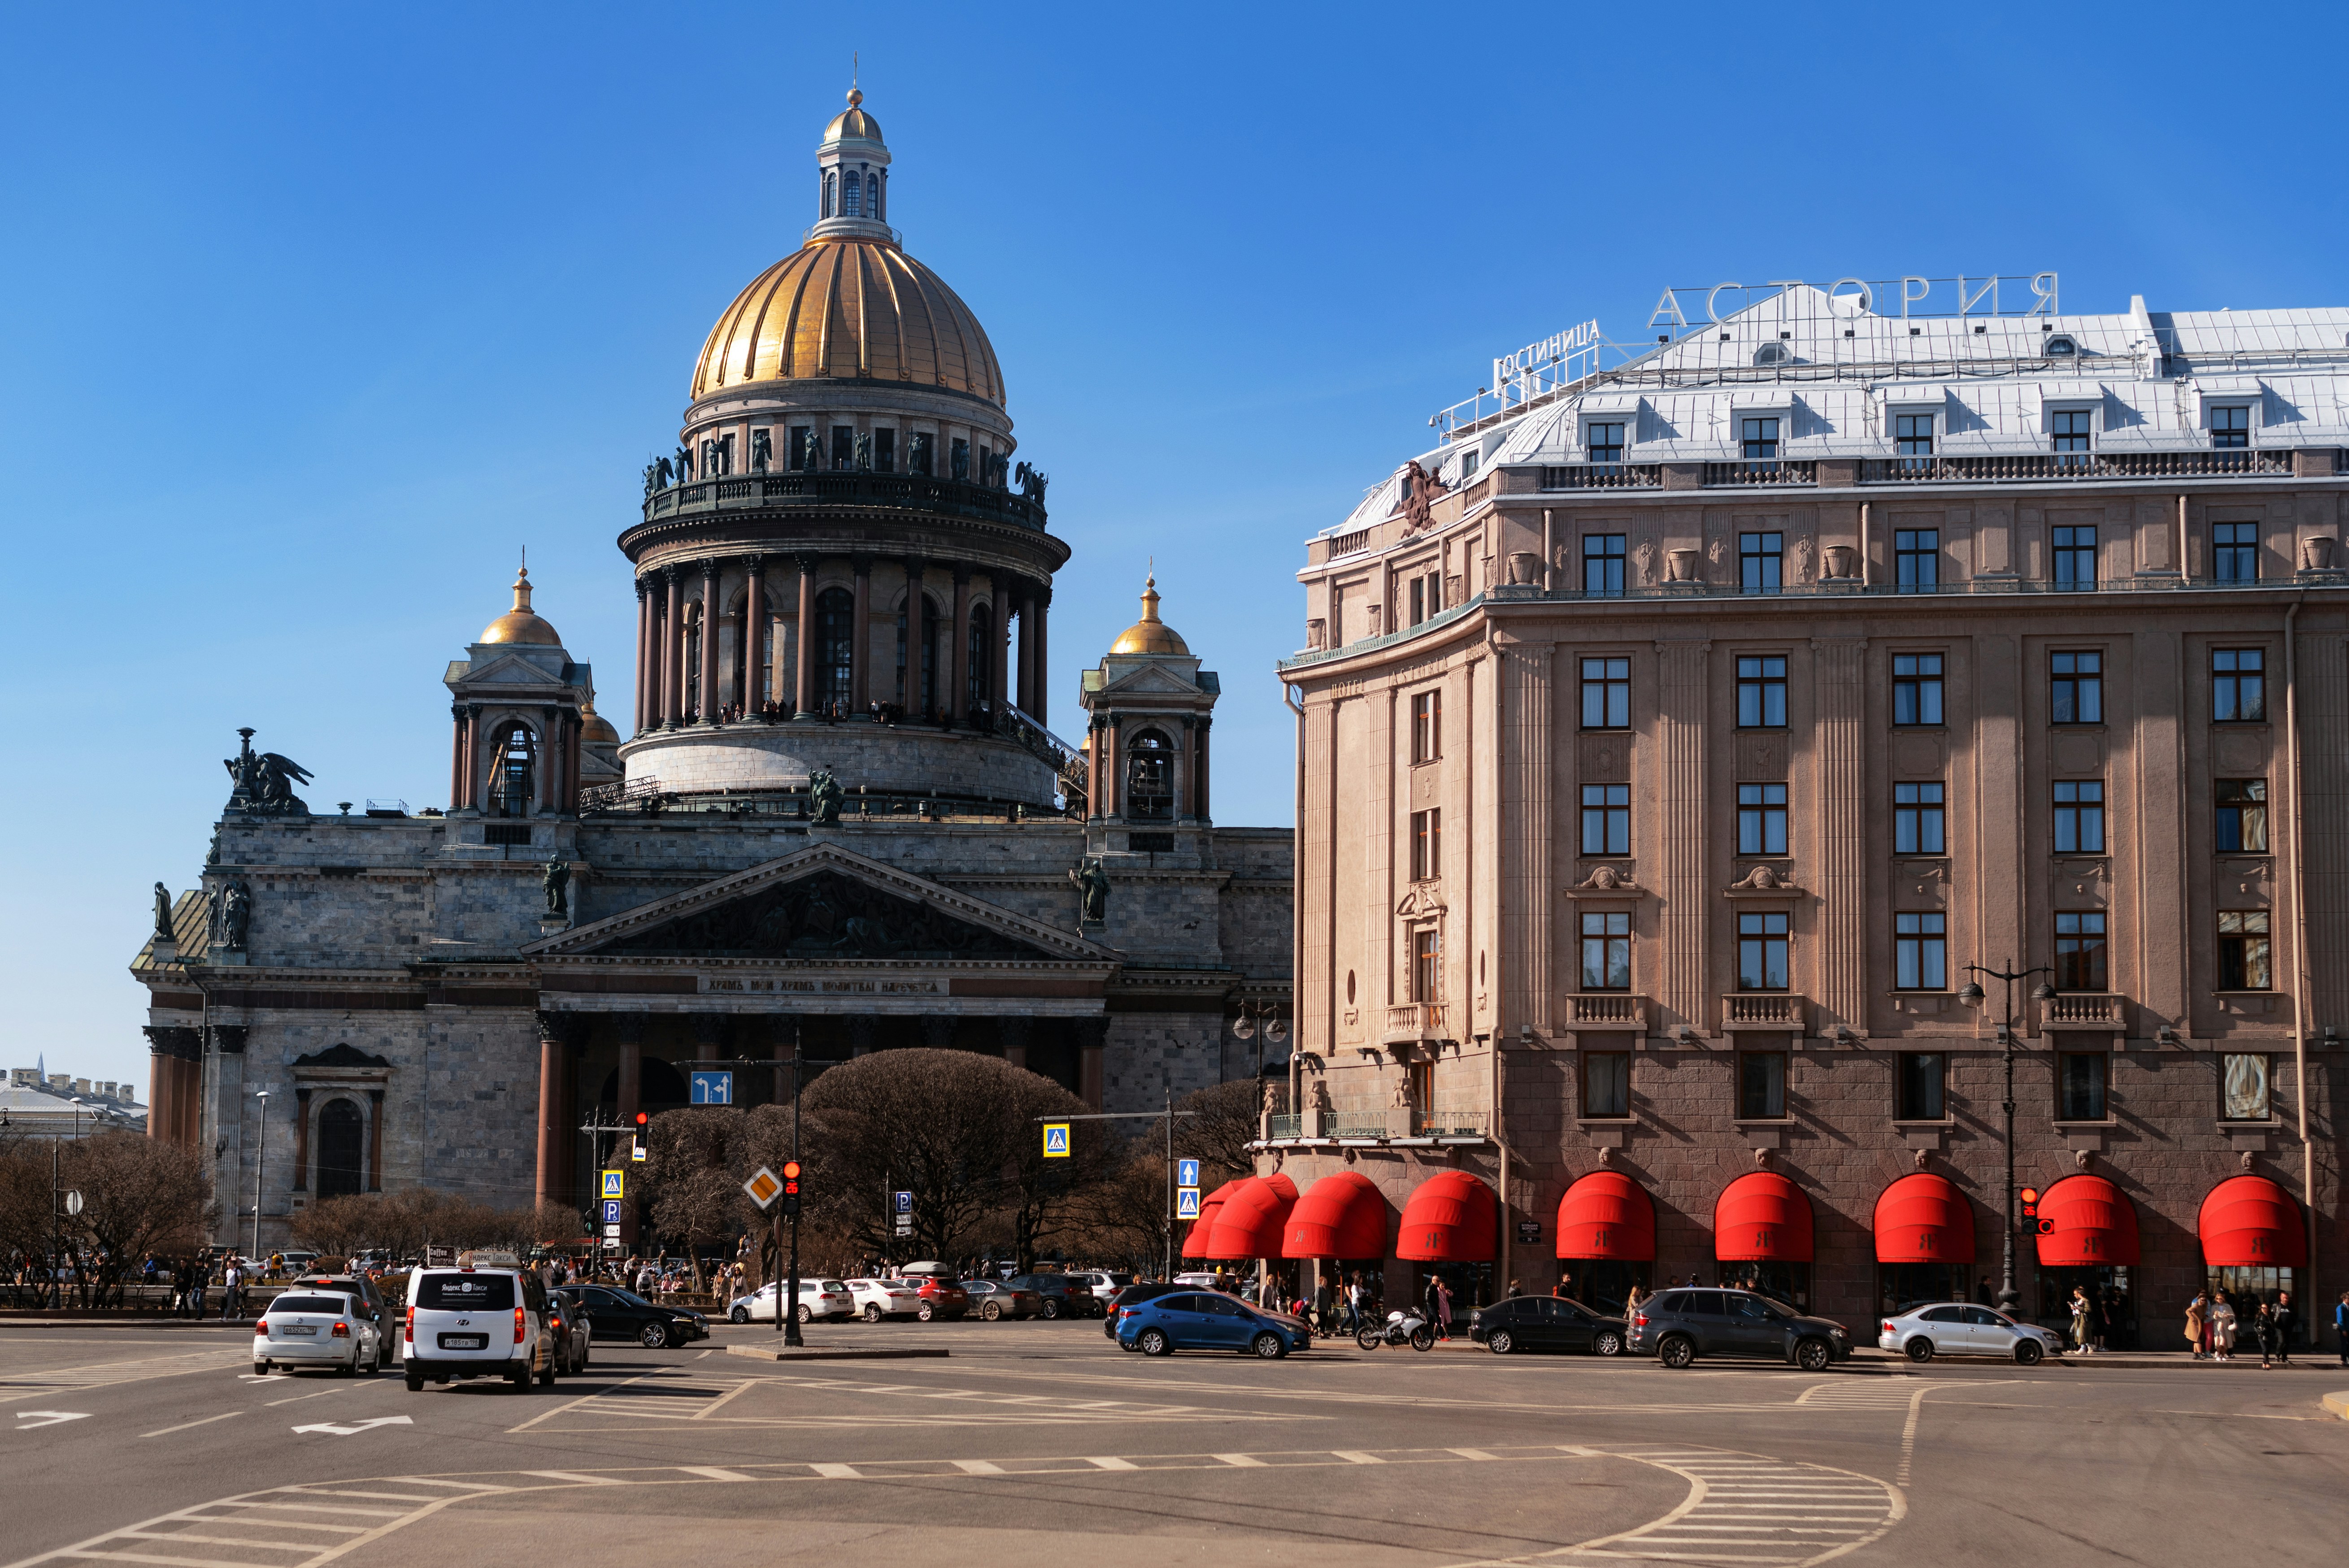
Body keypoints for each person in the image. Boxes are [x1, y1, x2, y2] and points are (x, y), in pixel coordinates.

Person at [2210, 1290, 2239, 1362]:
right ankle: (2218, 1354)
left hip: (2226, 1325)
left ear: (2223, 1299)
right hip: (2218, 1326)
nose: (2219, 1300)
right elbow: (2211, 1317)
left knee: (2226, 1341)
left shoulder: (2227, 1306)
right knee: (2221, 1340)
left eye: (2221, 1299)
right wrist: (2215, 1316)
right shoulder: (2214, 1307)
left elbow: (2233, 1315)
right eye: (2217, 1299)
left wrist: (2229, 1316)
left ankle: (2223, 1356)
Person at [2254, 1301, 2279, 1368]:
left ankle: (2264, 1363)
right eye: (2262, 1308)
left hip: (2270, 1335)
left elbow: (2273, 1325)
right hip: (2262, 1335)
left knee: (2268, 1350)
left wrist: (2273, 1333)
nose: (2263, 1309)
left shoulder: (2271, 1316)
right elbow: (2255, 1326)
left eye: (2265, 1308)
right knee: (2265, 1349)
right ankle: (2267, 1363)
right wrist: (2259, 1332)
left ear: (2268, 1309)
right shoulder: (2260, 1316)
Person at [2271, 1292, 2294, 1364]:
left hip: (2289, 1327)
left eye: (2287, 1298)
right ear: (2281, 1298)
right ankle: (2277, 1355)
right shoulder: (2276, 1305)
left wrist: (2293, 1324)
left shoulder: (2291, 1306)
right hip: (2280, 1327)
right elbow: (2272, 1315)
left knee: (2287, 1343)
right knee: (2281, 1341)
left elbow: (2295, 1315)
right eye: (2284, 1298)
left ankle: (2284, 1357)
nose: (2285, 1299)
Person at [2069, 1286, 2092, 1353]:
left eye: (2075, 1294)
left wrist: (2079, 1308)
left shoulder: (2086, 1301)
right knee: (2079, 1334)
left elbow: (2088, 1310)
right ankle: (2089, 1346)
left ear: (2079, 1294)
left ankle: (2083, 1349)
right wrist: (2074, 1308)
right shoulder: (2078, 1301)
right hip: (2078, 1319)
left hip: (2084, 1320)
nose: (2075, 1295)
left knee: (2081, 1334)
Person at [2184, 1291, 2206, 1360]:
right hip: (2195, 1325)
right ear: (2199, 1300)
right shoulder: (2196, 1305)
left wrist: (2205, 1316)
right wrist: (2193, 1318)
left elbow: (2201, 1314)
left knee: (2196, 1339)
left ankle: (2195, 1354)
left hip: (2200, 1324)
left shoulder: (2203, 1306)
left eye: (2205, 1300)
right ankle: (2200, 1354)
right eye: (2202, 1300)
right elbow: (2188, 1311)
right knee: (2197, 1340)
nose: (2204, 1301)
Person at [2334, 1291, 2349, 1368]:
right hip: (2344, 1330)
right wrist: (2343, 1330)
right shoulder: (2341, 1307)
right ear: (2344, 1299)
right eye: (2348, 1299)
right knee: (2345, 1345)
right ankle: (2344, 1360)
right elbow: (2340, 1320)